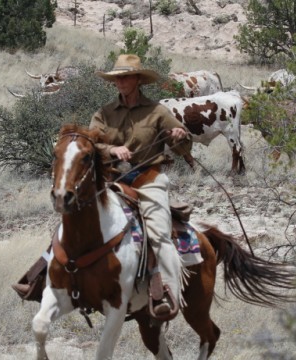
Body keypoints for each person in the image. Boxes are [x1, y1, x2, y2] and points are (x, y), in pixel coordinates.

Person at [90, 54, 192, 317]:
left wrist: (179, 135)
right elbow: (91, 144)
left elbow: (183, 145)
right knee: (79, 220)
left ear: (137, 80)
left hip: (148, 181)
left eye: (125, 77)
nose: (120, 82)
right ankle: (54, 281)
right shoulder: (103, 113)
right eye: (117, 78)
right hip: (112, 181)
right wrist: (112, 149)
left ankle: (170, 293)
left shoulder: (157, 111)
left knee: (158, 233)